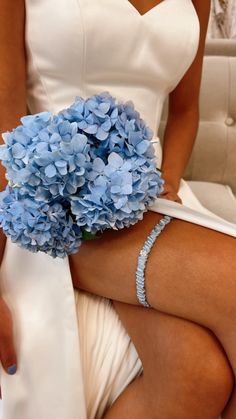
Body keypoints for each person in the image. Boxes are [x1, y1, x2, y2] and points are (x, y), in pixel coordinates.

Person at [0, 0, 236, 418]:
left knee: (196, 375)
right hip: (55, 208)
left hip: (151, 199)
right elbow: (4, 116)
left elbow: (185, 111)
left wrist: (169, 180)